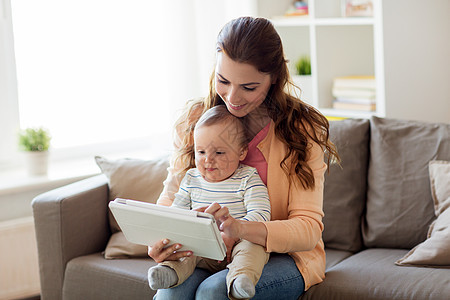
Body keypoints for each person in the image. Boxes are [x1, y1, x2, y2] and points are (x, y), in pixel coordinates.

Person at [148, 16, 339, 300]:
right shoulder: (194, 121)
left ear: (274, 79)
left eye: (249, 87)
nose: (233, 97)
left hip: (282, 255)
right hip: (205, 251)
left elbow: (308, 228)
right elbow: (172, 196)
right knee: (170, 293)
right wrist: (160, 240)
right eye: (224, 81)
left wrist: (241, 230)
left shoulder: (300, 130)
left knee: (214, 293)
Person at [148, 105, 271, 299]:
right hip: (200, 247)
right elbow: (175, 216)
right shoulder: (191, 179)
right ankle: (169, 273)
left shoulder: (247, 178)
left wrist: (235, 229)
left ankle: (240, 279)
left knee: (253, 249)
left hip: (238, 243)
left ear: (241, 152)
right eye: (201, 152)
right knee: (183, 249)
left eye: (219, 153)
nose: (208, 160)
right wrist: (191, 219)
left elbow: (261, 214)